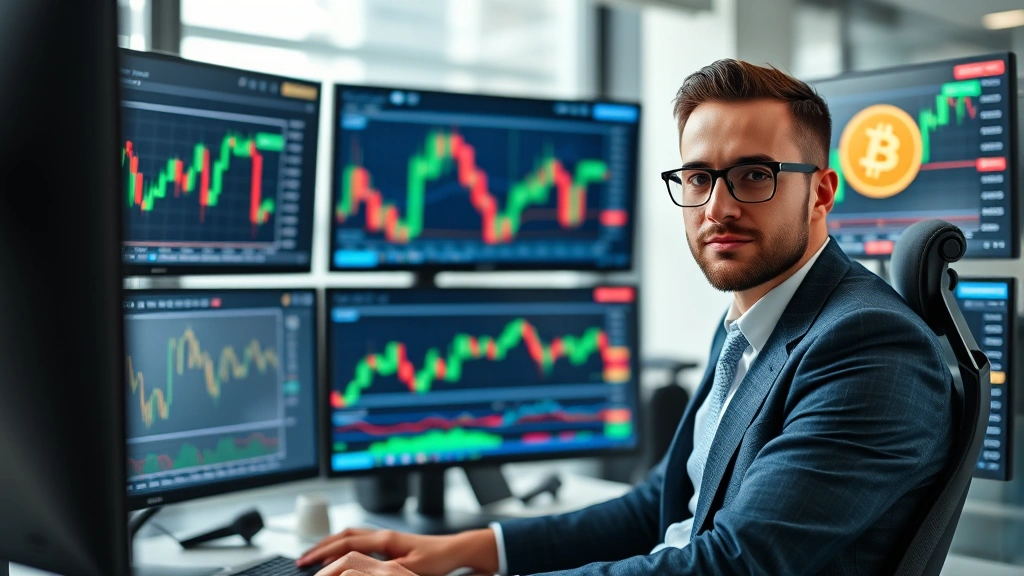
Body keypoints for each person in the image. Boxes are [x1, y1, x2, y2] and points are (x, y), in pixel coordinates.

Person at [296, 59, 954, 576]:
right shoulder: (757, 320)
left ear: (821, 192)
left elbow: (737, 564)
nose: (717, 207)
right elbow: (661, 505)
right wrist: (469, 550)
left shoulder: (868, 347)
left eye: (754, 175)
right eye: (698, 178)